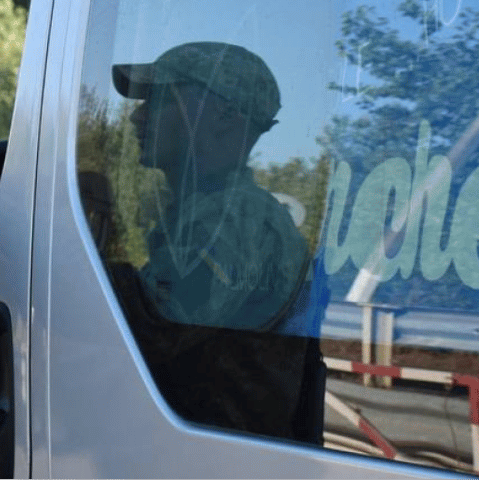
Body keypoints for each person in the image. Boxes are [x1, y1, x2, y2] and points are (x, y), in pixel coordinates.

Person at [105, 41, 325, 442]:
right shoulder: (210, 214)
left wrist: (91, 234)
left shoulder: (236, 220)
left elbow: (139, 335)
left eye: (159, 100)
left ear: (224, 115)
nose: (137, 118)